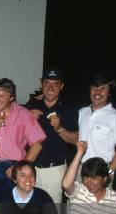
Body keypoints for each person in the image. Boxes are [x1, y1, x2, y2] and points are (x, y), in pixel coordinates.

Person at [0, 78, 45, 197]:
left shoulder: (23, 114)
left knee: (12, 209)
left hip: (12, 167)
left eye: (2, 96)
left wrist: (18, 169)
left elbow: (37, 146)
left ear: (11, 97)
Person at [24, 69, 78, 203]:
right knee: (29, 210)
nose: (50, 87)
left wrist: (60, 129)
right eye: (47, 83)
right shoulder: (31, 105)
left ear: (61, 86)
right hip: (31, 168)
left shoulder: (68, 108)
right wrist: (27, 117)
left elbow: (76, 140)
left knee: (51, 213)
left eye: (55, 84)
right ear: (41, 85)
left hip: (54, 170)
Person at [77, 73, 116, 182]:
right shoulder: (82, 112)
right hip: (80, 168)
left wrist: (109, 173)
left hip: (102, 171)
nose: (97, 92)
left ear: (109, 92)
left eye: (103, 88)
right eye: (94, 87)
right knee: (76, 199)